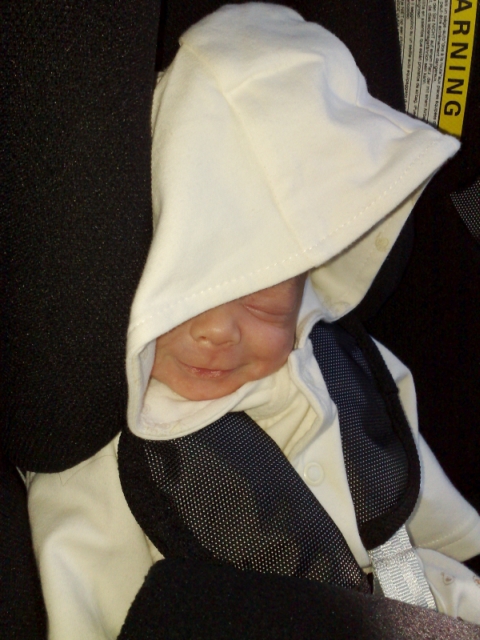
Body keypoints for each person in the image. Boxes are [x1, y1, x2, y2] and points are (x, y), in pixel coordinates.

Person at [27, 4, 480, 638]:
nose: (218, 332)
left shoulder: (345, 365)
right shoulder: (109, 462)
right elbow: (85, 607)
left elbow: (438, 526)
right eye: (187, 290)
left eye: (263, 304)